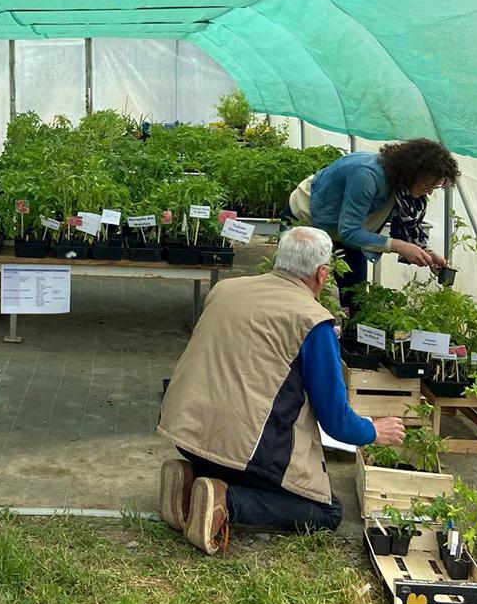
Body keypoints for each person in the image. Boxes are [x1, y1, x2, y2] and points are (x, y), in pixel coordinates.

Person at [157, 227, 406, 555]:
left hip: (185, 431)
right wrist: (374, 430)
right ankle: (225, 500)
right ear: (322, 273)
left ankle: (191, 482)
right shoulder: (313, 322)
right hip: (241, 450)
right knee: (326, 511)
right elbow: (336, 421)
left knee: (233, 450)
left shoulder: (225, 290)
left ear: (280, 260)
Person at [286, 139, 460, 310]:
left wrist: (426, 253)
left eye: (435, 186)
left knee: (355, 297)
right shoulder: (366, 175)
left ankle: (349, 335)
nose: (429, 191)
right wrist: (398, 246)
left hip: (347, 230)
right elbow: (349, 232)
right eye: (427, 184)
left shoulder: (403, 189)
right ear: (412, 172)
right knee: (299, 292)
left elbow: (404, 226)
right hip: (308, 221)